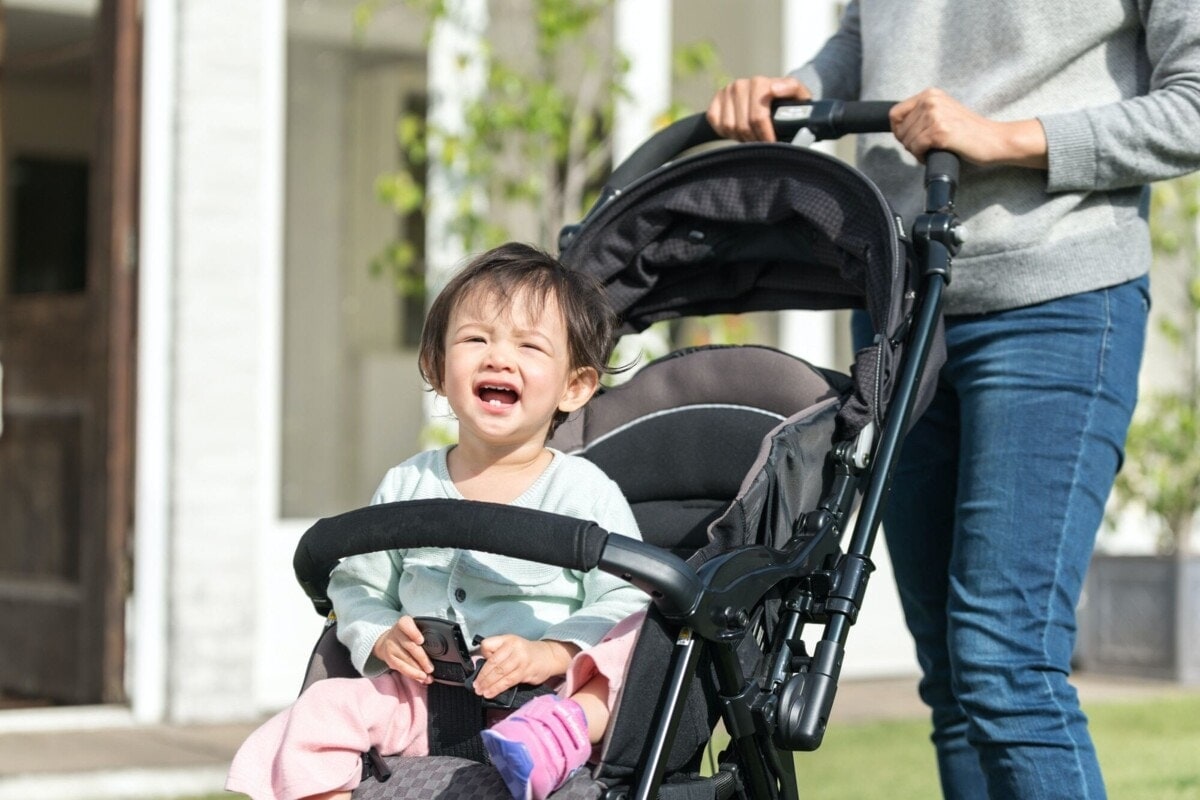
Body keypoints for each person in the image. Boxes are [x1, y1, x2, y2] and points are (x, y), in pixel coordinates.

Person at [708, 2, 1200, 799]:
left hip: (1059, 295)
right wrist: (798, 89)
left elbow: (1194, 104)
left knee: (1005, 663)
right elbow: (871, 40)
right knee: (950, 675)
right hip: (903, 299)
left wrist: (1007, 137)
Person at [225, 242, 648, 800]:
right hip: (420, 698)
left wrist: (554, 653)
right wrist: (380, 634)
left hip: (545, 699)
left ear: (574, 386)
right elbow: (356, 586)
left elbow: (625, 601)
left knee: (637, 643)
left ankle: (562, 733)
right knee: (316, 715)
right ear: (437, 367)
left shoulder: (583, 492)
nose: (498, 358)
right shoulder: (408, 485)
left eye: (528, 345)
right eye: (476, 339)